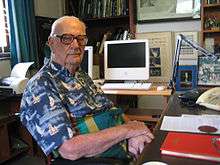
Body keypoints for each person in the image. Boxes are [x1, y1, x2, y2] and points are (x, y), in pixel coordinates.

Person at [20, 16, 154, 164]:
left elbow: (112, 110)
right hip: (104, 158)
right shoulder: (40, 86)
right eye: (67, 38)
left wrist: (135, 134)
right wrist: (129, 130)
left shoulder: (81, 74)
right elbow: (69, 149)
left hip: (125, 145)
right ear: (51, 43)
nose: (76, 45)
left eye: (81, 39)